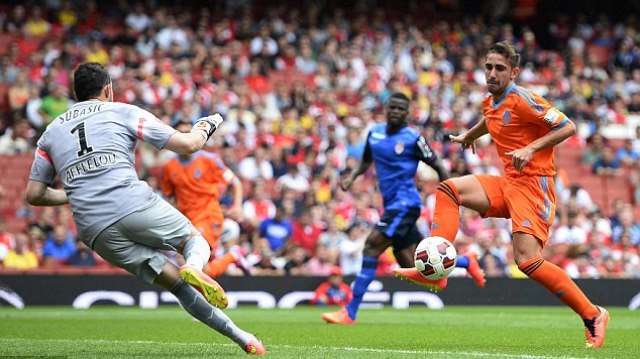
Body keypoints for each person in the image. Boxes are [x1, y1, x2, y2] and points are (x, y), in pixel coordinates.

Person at [25, 63, 265, 355]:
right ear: (108, 90)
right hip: (130, 202)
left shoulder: (50, 133)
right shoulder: (122, 111)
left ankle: (244, 338)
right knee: (194, 241)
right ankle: (194, 265)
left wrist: (76, 192)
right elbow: (188, 145)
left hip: (94, 230)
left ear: (76, 94)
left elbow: (34, 194)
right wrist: (207, 125)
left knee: (177, 287)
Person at [393, 42, 609, 348]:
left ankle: (593, 314)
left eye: (500, 68)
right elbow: (492, 117)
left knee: (527, 261)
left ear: (514, 72)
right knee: (449, 189)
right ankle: (436, 270)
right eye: (489, 67)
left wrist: (531, 147)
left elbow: (568, 126)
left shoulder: (525, 99)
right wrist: (470, 135)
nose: (492, 73)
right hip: (509, 181)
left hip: (534, 186)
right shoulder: (490, 101)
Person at [321, 92, 485, 325]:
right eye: (393, 107)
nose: (396, 111)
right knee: (413, 264)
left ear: (407, 113)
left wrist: (452, 195)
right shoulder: (374, 133)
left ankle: (350, 311)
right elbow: (366, 160)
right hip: (391, 206)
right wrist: (352, 177)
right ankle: (465, 262)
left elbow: (437, 164)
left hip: (405, 204)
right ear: (386, 109)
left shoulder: (412, 138)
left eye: (401, 109)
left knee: (370, 248)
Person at [161, 119, 252, 276]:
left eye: (189, 133)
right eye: (181, 134)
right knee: (205, 271)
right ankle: (234, 255)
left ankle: (232, 255)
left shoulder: (210, 160)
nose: (185, 137)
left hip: (208, 216)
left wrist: (237, 206)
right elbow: (169, 198)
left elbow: (235, 182)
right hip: (187, 221)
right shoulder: (169, 167)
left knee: (196, 267)